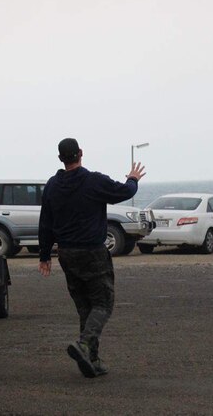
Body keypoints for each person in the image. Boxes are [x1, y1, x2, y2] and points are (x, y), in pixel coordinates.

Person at [38, 138, 146, 378]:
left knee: (85, 306)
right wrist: (133, 179)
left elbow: (45, 222)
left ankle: (92, 360)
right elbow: (124, 192)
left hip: (66, 253)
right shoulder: (93, 181)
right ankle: (85, 345)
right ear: (80, 154)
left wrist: (44, 255)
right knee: (103, 302)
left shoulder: (52, 186)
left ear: (60, 159)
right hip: (92, 252)